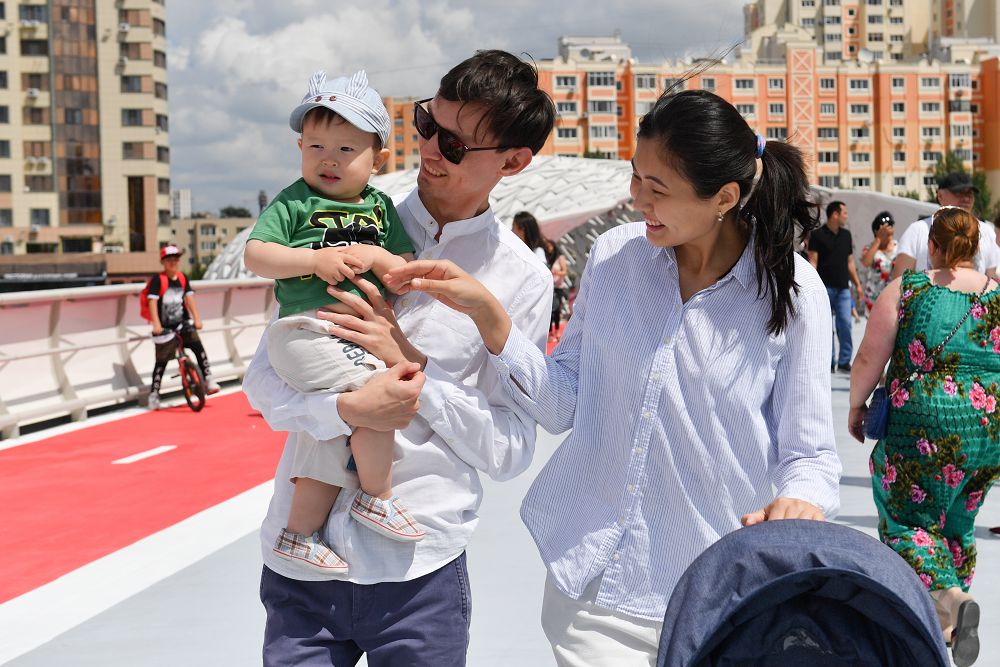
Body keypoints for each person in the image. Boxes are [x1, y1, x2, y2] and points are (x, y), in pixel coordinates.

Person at [383, 89, 841, 665]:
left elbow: (811, 456)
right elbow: (563, 405)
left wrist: (799, 501)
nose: (637, 198)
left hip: (721, 592)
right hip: (595, 590)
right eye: (635, 176)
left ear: (724, 198)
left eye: (658, 189)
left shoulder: (792, 292)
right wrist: (490, 318)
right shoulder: (615, 257)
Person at [242, 49, 555, 666]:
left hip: (419, 570)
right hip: (301, 568)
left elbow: (510, 449)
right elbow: (263, 383)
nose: (431, 150)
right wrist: (346, 409)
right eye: (427, 124)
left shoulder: (519, 280)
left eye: (455, 145)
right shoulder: (337, 214)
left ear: (513, 162)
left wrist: (412, 373)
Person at [242, 70, 422, 575]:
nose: (329, 159)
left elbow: (404, 271)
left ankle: (298, 534)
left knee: (326, 432)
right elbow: (256, 255)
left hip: (348, 335)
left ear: (377, 159)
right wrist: (313, 261)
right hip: (306, 329)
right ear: (300, 147)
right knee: (376, 393)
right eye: (316, 146)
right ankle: (377, 496)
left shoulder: (381, 207)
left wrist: (376, 255)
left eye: (346, 149)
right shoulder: (295, 201)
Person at [849, 206, 999, 667]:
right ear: (976, 248)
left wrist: (856, 406)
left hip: (925, 424)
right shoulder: (997, 294)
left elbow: (869, 358)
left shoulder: (909, 289)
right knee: (957, 520)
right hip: (989, 428)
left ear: (932, 245)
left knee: (908, 521)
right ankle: (947, 623)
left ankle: (951, 597)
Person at [147, 245, 219, 410]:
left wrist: (197, 319)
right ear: (163, 262)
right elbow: (152, 302)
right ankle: (154, 394)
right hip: (165, 327)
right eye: (169, 259)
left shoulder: (182, 278)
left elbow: (189, 299)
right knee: (161, 362)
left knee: (198, 347)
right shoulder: (158, 279)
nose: (173, 262)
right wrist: (156, 324)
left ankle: (208, 379)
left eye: (176, 259)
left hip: (182, 323)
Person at [891, 171, 1000, 280]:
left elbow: (991, 279)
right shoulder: (917, 230)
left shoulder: (987, 231)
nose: (966, 199)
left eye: (970, 194)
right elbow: (899, 281)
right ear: (940, 196)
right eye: (959, 193)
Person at [808, 200, 863, 372]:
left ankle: (845, 360)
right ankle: (829, 361)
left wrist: (858, 285)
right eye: (844, 213)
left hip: (843, 289)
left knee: (845, 324)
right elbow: (813, 262)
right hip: (823, 288)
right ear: (835, 215)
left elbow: (850, 262)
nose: (846, 216)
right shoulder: (817, 235)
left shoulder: (846, 235)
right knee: (826, 327)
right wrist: (810, 285)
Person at [513, 211, 569, 342]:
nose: (511, 231)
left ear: (522, 230)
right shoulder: (526, 250)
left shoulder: (538, 252)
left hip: (530, 305)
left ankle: (553, 334)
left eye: (513, 227)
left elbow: (539, 279)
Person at [859, 210, 898, 311]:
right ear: (876, 231)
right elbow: (866, 263)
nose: (888, 229)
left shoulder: (900, 247)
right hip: (873, 299)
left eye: (890, 225)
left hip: (893, 299)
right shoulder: (870, 248)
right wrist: (878, 240)